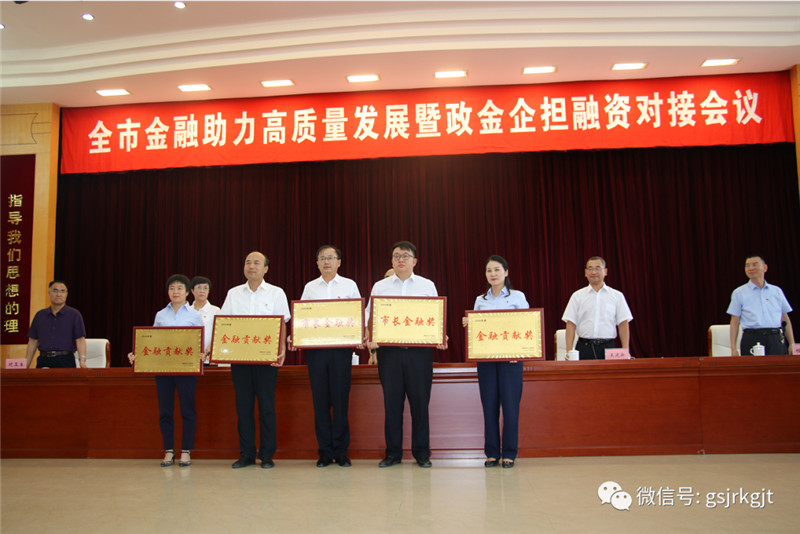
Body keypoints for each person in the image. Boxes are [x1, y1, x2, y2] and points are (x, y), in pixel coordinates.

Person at [366, 241, 446, 468]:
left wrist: (440, 335)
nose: (400, 259)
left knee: (420, 405)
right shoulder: (380, 287)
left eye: (405, 255)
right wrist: (371, 337)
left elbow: (436, 318)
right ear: (391, 260)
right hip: (389, 354)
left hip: (419, 354)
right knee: (392, 405)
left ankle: (422, 454)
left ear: (414, 261)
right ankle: (393, 454)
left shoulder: (427, 285)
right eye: (396, 256)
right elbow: (370, 318)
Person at [221, 251, 290, 469]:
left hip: (266, 359)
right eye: (248, 262)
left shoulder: (276, 293)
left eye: (257, 263)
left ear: (266, 268)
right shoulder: (233, 293)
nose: (252, 266)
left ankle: (267, 455)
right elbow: (224, 323)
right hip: (240, 358)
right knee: (243, 408)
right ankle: (247, 454)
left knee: (267, 407)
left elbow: (282, 323)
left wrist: (281, 350)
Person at [128, 274, 205, 467]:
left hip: (187, 370)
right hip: (163, 369)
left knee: (187, 410)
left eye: (180, 288)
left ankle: (186, 450)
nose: (175, 291)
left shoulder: (194, 315)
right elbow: (153, 341)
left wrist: (202, 353)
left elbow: (199, 343)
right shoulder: (160, 315)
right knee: (165, 411)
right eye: (172, 288)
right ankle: (169, 450)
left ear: (187, 292)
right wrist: (138, 355)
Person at [296, 245, 361, 468]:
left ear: (339, 262)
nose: (326, 262)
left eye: (331, 258)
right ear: (317, 263)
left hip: (341, 351)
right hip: (316, 352)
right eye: (322, 258)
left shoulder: (349, 285)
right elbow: (302, 317)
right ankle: (324, 452)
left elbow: (358, 315)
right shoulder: (310, 287)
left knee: (341, 401)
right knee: (320, 402)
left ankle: (341, 452)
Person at [462, 255, 528, 468]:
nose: (493, 274)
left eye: (497, 269)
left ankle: (509, 453)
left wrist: (519, 352)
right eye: (489, 270)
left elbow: (527, 326)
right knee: (489, 406)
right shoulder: (480, 300)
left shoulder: (517, 297)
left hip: (511, 360)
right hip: (487, 361)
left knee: (510, 407)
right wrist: (469, 323)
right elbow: (477, 332)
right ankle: (491, 453)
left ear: (506, 272)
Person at [561, 256, 633, 360]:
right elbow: (570, 324)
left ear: (605, 271)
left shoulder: (617, 296)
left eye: (598, 268)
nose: (594, 272)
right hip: (584, 347)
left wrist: (625, 350)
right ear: (586, 273)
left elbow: (623, 323)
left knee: (610, 372)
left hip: (608, 347)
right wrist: (569, 351)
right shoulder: (577, 296)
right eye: (590, 269)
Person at [727, 254, 794, 356]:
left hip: (775, 338)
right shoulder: (739, 293)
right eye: (747, 265)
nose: (750, 268)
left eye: (755, 264)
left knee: (778, 366)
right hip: (752, 337)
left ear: (765, 268)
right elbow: (735, 321)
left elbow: (785, 318)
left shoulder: (776, 291)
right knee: (753, 366)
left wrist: (792, 343)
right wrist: (733, 348)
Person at [25, 281, 87, 369]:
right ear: (49, 293)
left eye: (62, 291)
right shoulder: (40, 315)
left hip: (65, 360)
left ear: (66, 294)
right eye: (55, 291)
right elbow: (33, 342)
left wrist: (82, 361)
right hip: (44, 359)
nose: (58, 294)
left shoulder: (74, 315)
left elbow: (80, 340)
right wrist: (26, 365)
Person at [190, 276, 221, 363]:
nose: (202, 291)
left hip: (209, 359)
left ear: (208, 291)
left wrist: (207, 351)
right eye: (199, 287)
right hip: (189, 359)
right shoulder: (187, 311)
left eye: (205, 288)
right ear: (192, 291)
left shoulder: (216, 311)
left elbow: (219, 334)